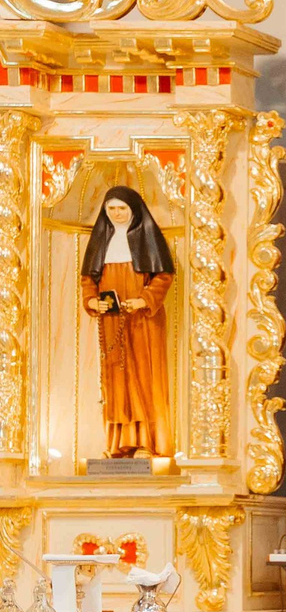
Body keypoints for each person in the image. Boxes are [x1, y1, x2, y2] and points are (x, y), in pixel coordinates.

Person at [79, 185, 176, 459]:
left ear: (133, 210)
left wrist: (145, 299)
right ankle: (118, 445)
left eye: (122, 208)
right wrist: (91, 300)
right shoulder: (102, 240)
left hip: (143, 321)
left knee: (144, 378)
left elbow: (163, 276)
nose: (117, 214)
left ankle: (147, 443)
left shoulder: (147, 238)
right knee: (116, 380)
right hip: (111, 321)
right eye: (112, 209)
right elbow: (89, 279)